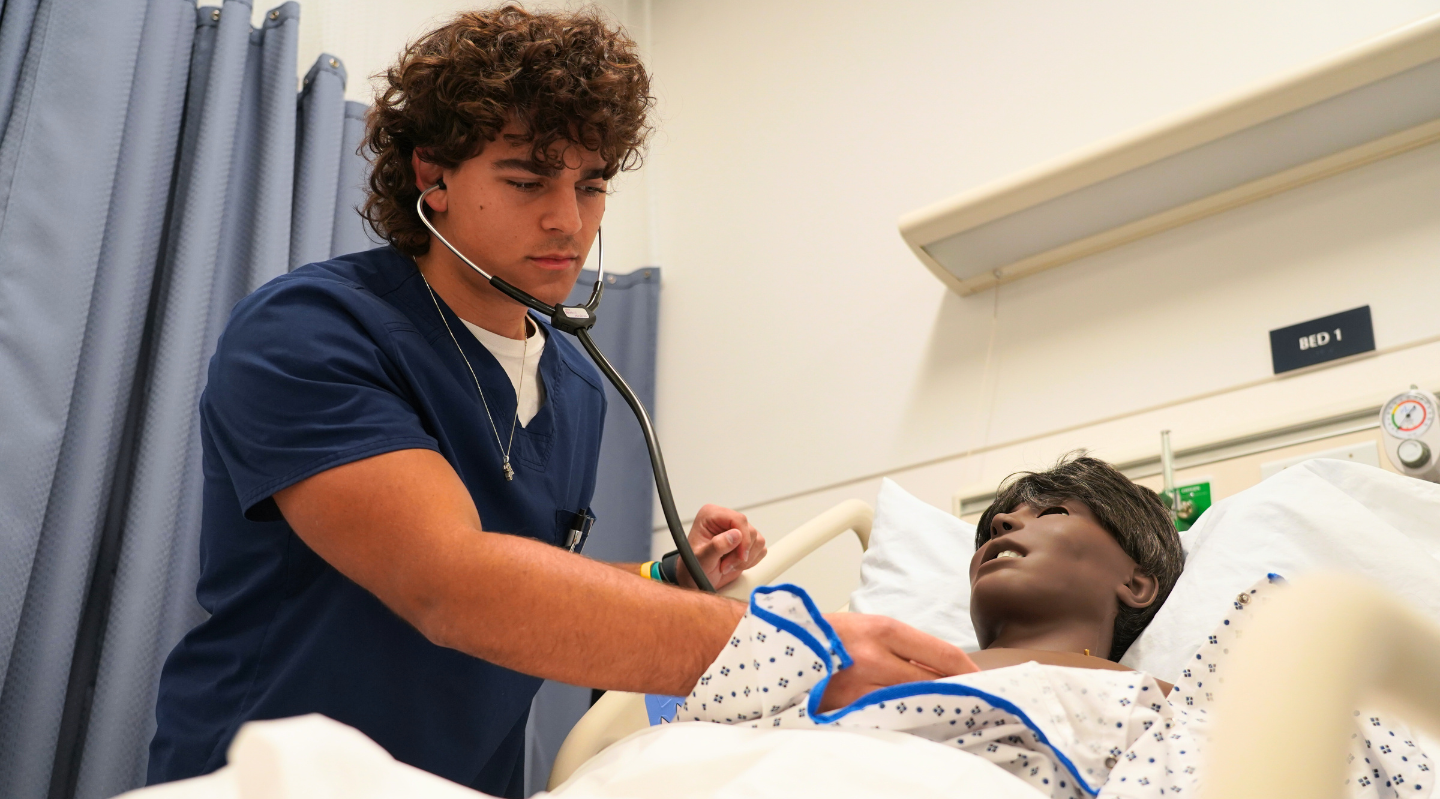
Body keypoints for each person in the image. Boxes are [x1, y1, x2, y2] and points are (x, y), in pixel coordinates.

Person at [144, 6, 974, 796]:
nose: (566, 220)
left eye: (592, 185)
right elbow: (450, 579)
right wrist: (798, 651)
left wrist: (661, 574)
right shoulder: (314, 330)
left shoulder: (576, 383)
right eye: (527, 178)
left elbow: (526, 566)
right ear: (432, 176)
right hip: (275, 775)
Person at [965, 454, 1185, 688]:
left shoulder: (1173, 707)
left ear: (1135, 585)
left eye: (1052, 512)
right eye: (990, 535)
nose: (1000, 521)